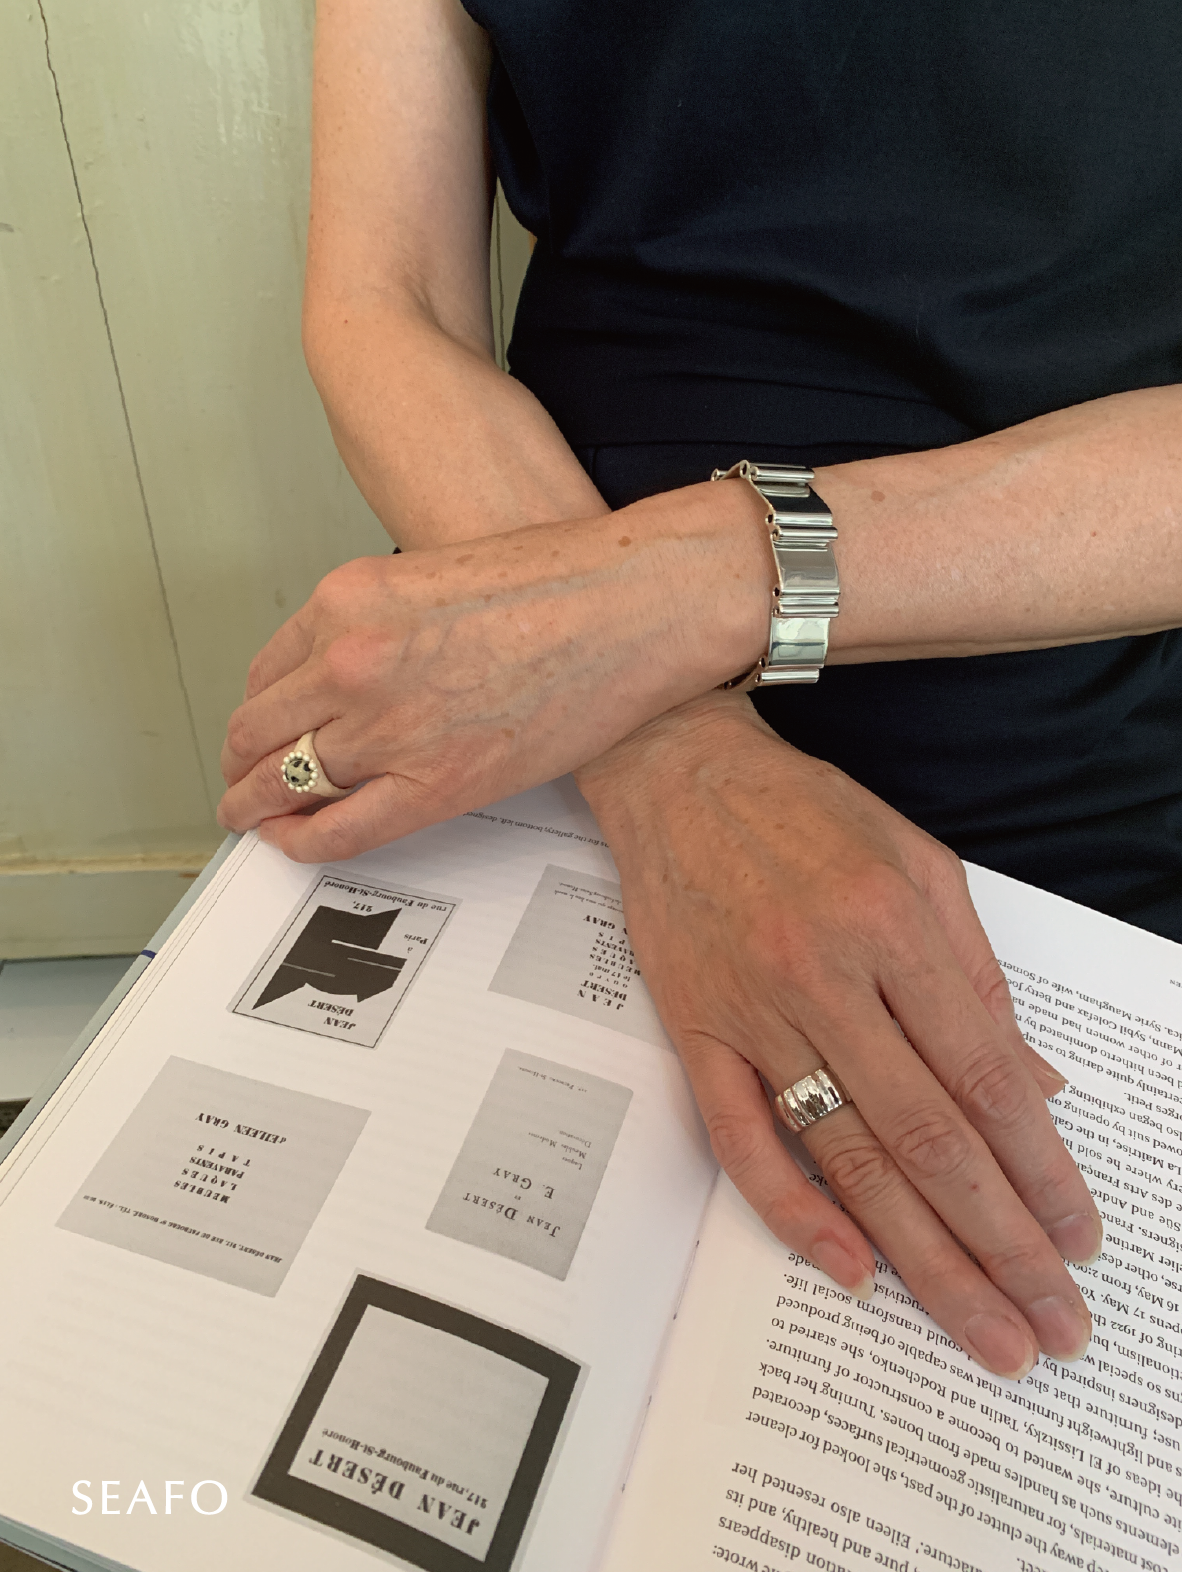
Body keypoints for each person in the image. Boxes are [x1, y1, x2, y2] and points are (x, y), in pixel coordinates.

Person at [216, 0, 1182, 1381]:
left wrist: (667, 603)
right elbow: (390, 305)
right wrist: (677, 759)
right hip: (518, 711)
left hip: (1055, 739)